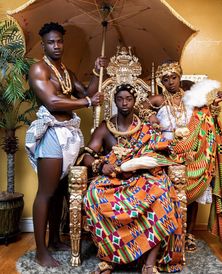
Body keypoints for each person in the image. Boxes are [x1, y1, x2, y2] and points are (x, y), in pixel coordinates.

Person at [25, 22, 107, 267]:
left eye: (60, 41)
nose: (57, 45)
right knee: (46, 193)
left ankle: (53, 241)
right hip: (52, 135)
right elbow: (52, 101)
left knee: (60, 191)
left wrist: (95, 72)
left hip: (68, 135)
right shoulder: (39, 69)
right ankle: (41, 251)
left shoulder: (64, 70)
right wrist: (87, 103)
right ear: (44, 44)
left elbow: (87, 91)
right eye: (51, 42)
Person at [82, 83, 184, 274]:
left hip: (142, 179)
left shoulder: (146, 128)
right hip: (114, 179)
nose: (124, 103)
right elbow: (87, 155)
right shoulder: (106, 128)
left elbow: (160, 150)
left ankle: (149, 264)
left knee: (162, 193)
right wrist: (101, 165)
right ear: (114, 101)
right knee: (93, 195)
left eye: (128, 99)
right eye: (120, 99)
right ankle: (109, 258)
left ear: (135, 101)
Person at [146, 60, 222, 252]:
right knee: (166, 192)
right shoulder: (157, 100)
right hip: (167, 150)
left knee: (193, 192)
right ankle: (168, 231)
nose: (170, 82)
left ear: (180, 77)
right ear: (161, 82)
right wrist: (151, 118)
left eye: (174, 77)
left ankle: (188, 233)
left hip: (193, 150)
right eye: (165, 79)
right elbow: (142, 111)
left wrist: (216, 104)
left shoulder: (191, 97)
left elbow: (207, 116)